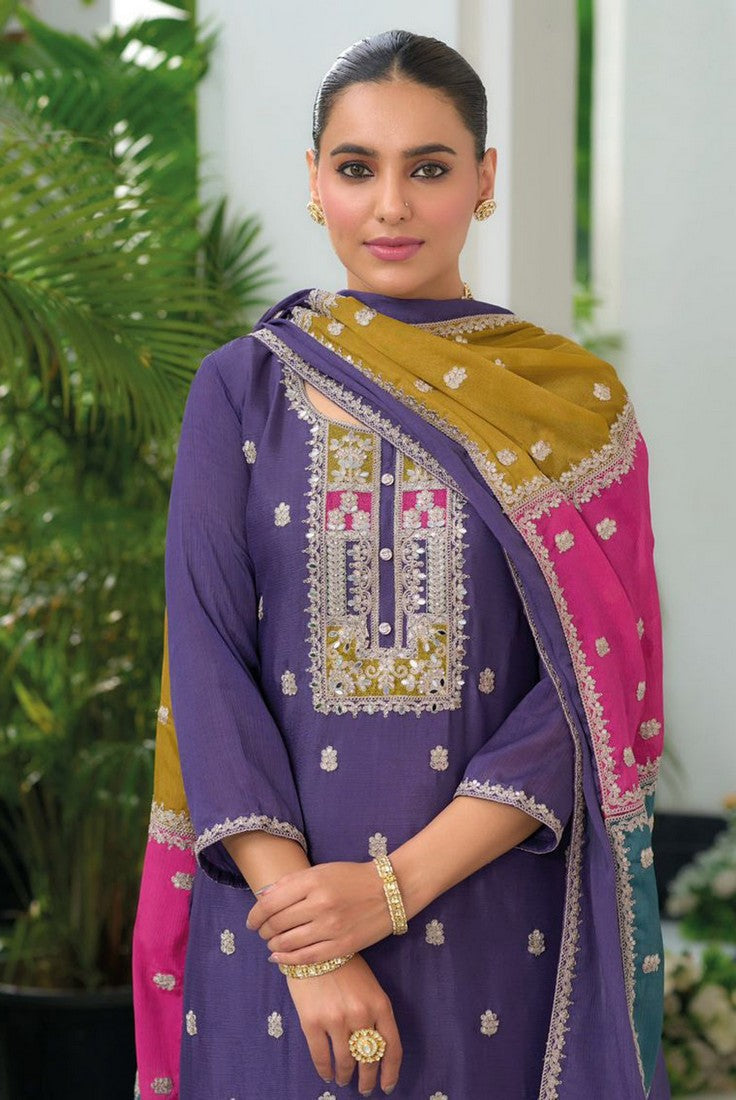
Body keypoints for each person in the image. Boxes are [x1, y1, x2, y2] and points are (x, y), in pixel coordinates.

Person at [131, 29, 671, 1100]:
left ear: (484, 178)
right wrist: (316, 943)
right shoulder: (237, 390)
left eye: (428, 167)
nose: (390, 206)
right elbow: (208, 665)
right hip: (276, 929)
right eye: (356, 166)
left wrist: (388, 890)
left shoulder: (569, 408)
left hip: (494, 912)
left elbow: (594, 685)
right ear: (314, 180)